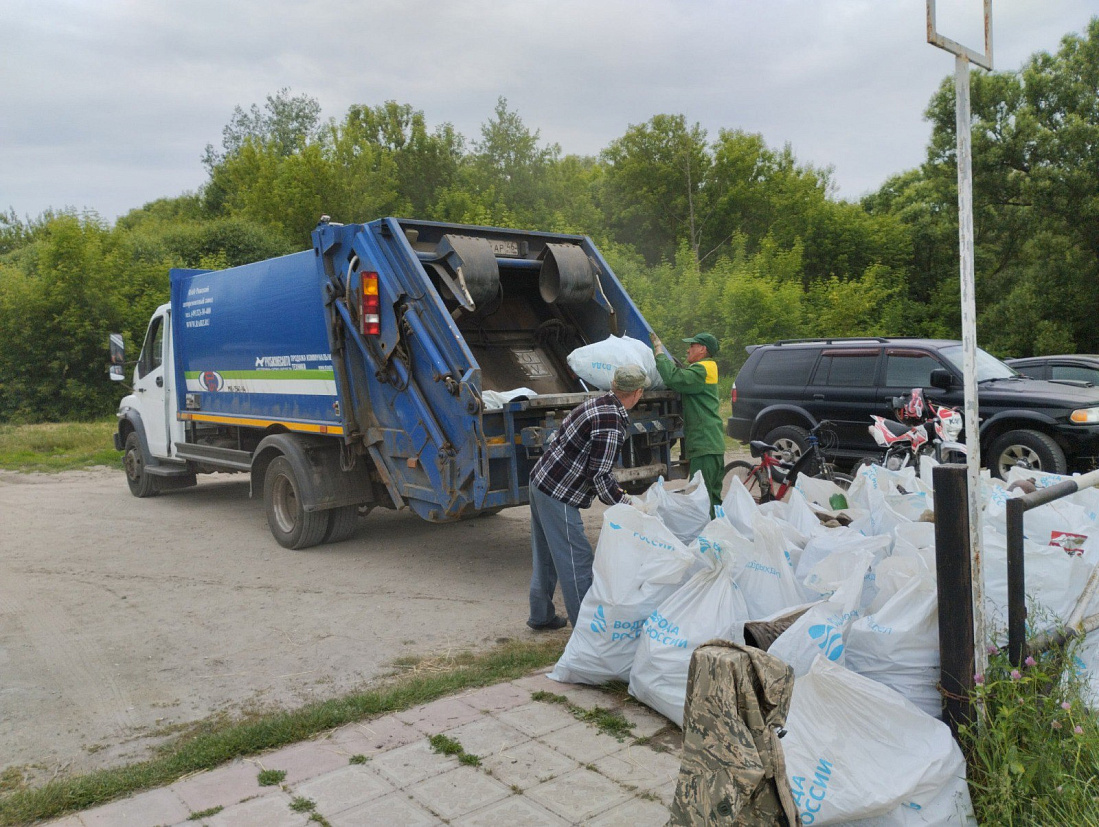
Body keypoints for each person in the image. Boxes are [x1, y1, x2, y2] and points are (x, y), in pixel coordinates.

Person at [527, 364, 649, 630]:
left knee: (546, 555)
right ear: (638, 392)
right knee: (577, 560)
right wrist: (628, 503)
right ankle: (589, 631)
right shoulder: (611, 423)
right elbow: (600, 476)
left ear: (615, 384)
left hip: (541, 481)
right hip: (557, 492)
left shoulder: (597, 404)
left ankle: (541, 616)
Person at [650, 332, 725, 510]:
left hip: (704, 443)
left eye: (692, 345)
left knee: (701, 499)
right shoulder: (708, 368)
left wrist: (659, 353)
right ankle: (718, 533)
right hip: (711, 442)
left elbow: (674, 378)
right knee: (712, 498)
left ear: (702, 349)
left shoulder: (701, 370)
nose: (688, 349)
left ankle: (709, 535)